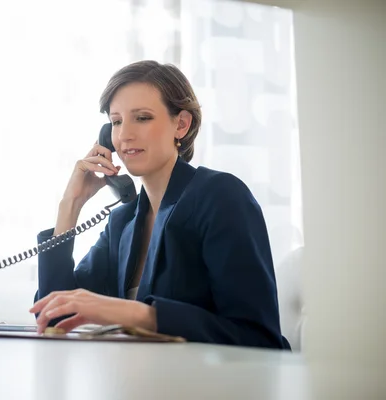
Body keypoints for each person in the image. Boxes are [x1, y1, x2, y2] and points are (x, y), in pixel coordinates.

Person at [29, 60, 291, 350]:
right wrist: (71, 205)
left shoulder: (221, 197)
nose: (124, 135)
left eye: (141, 118)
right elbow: (52, 317)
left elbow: (259, 338)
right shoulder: (123, 223)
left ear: (181, 124)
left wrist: (139, 314)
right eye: (116, 121)